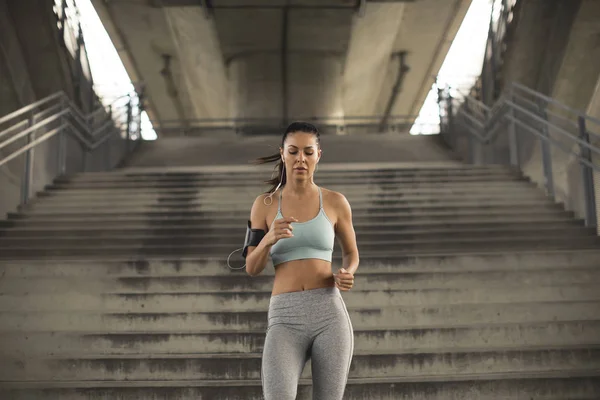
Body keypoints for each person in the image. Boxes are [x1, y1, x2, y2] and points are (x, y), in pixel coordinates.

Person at [244, 122, 359, 400]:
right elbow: (251, 267)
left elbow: (351, 253)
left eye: (308, 152)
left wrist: (348, 271)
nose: (300, 159)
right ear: (282, 154)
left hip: (329, 314)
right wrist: (269, 238)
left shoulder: (335, 202)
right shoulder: (265, 204)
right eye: (293, 151)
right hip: (285, 317)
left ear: (318, 154)